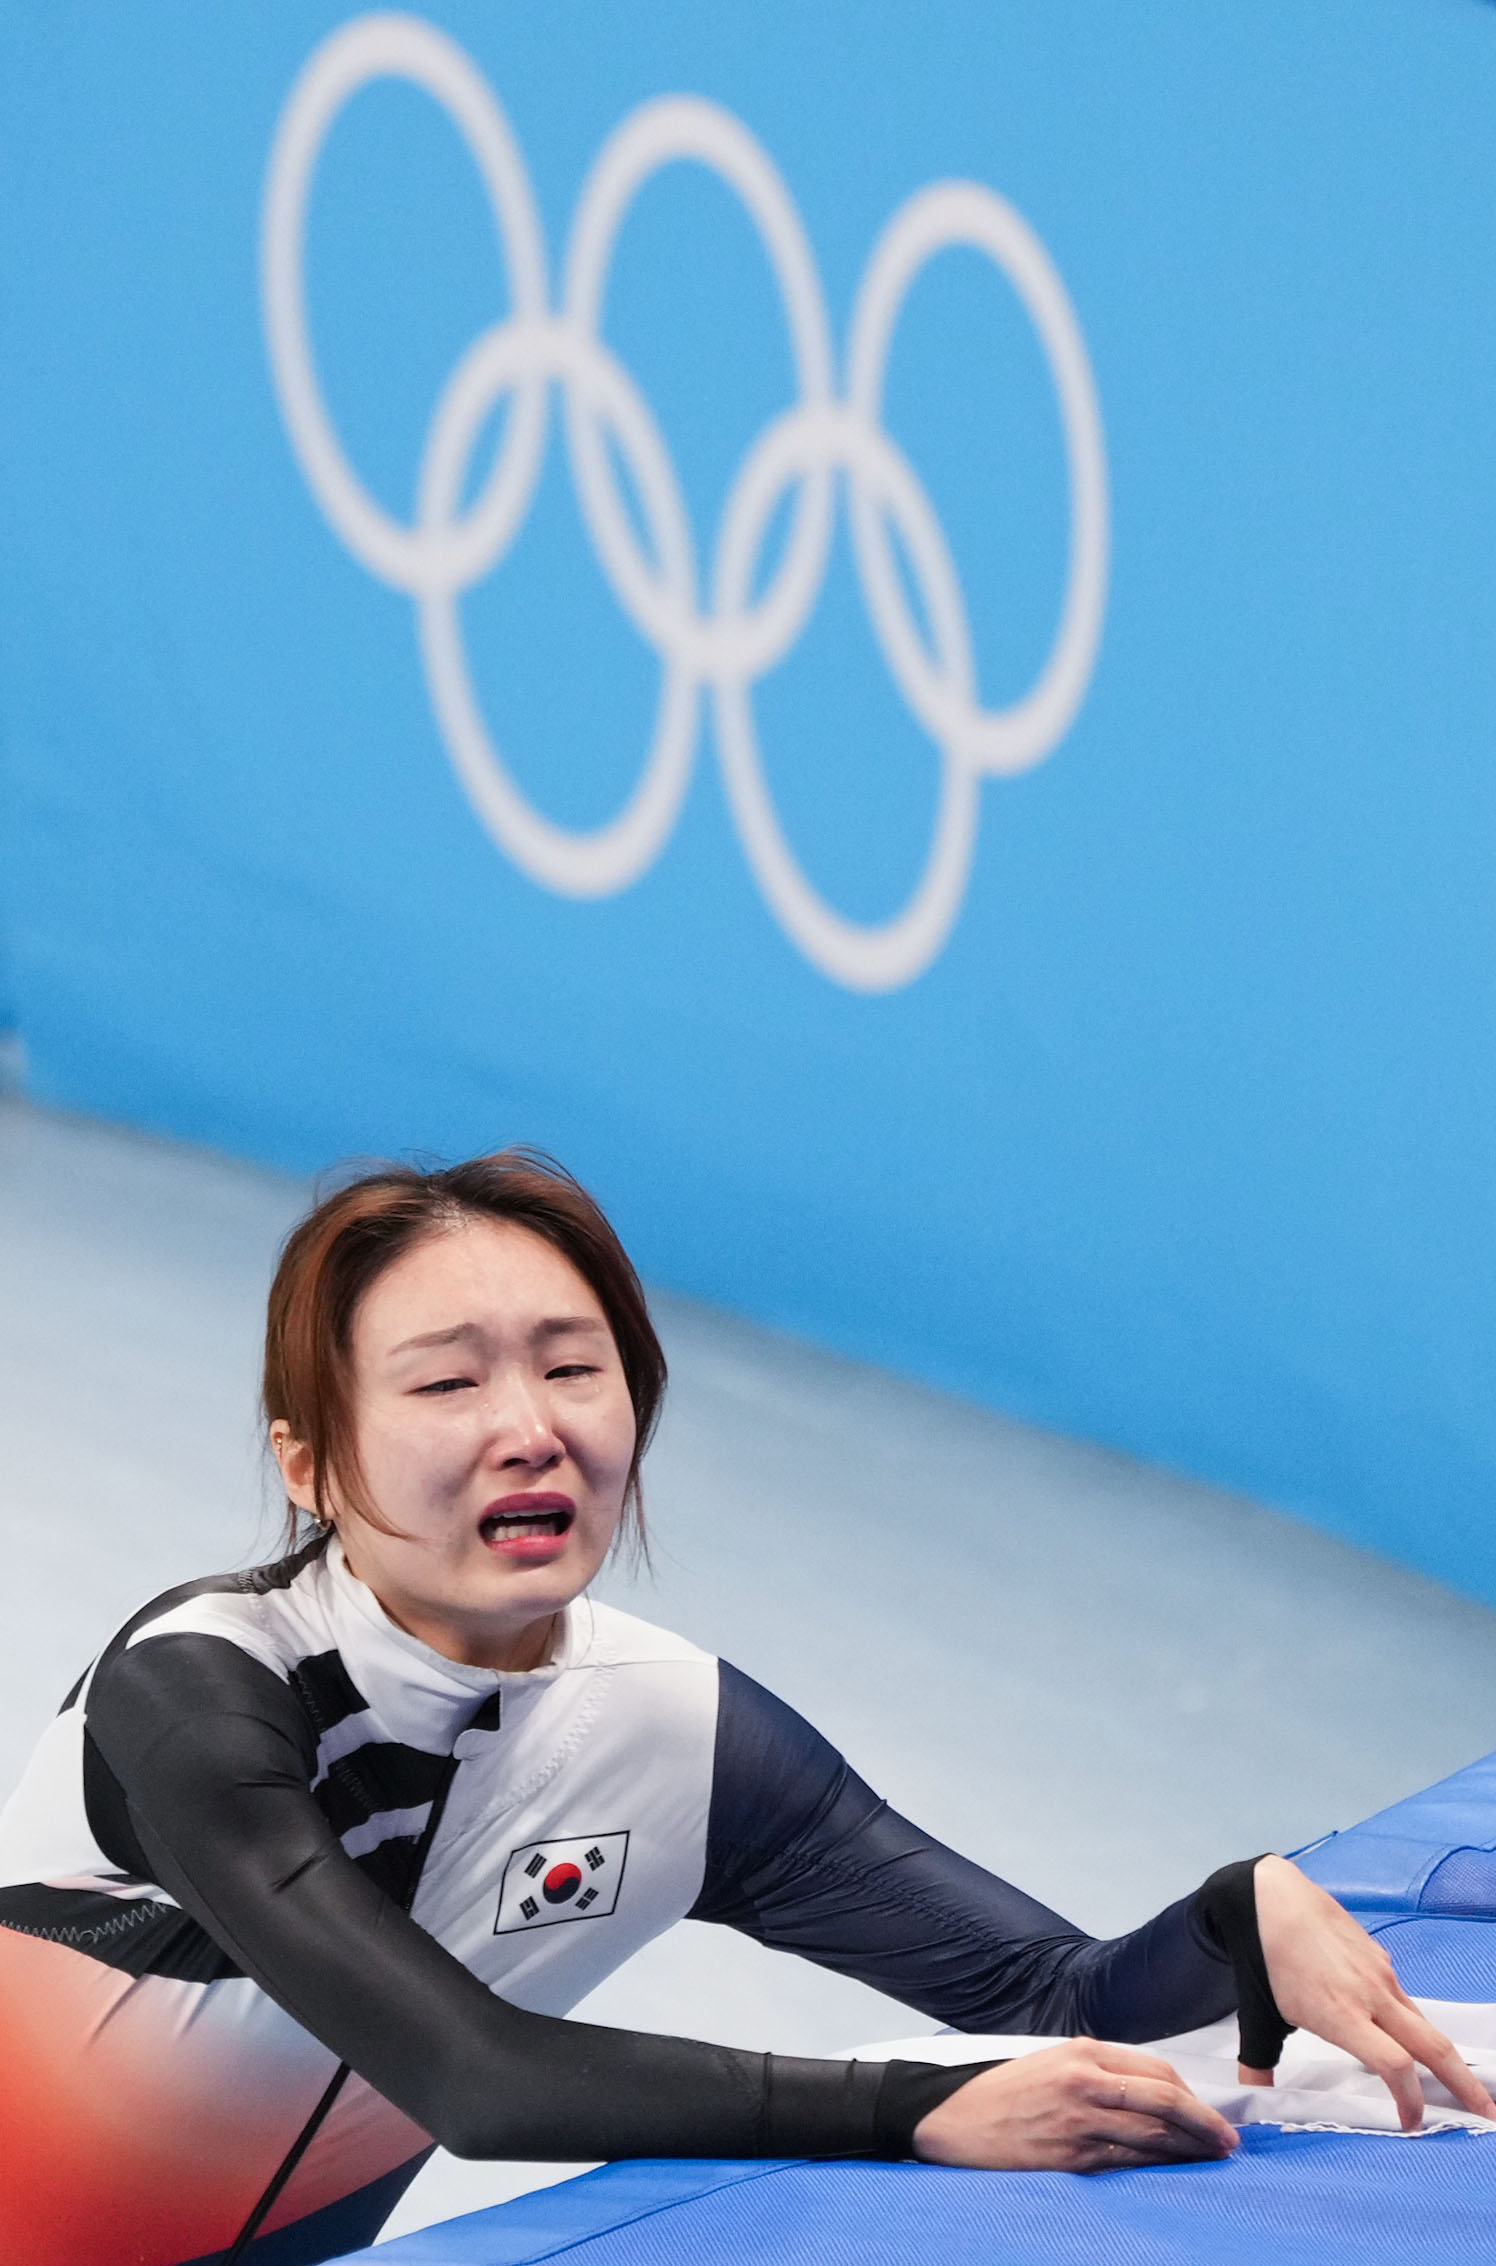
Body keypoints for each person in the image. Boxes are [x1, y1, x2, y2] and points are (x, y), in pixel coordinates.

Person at [0, 1152, 1487, 2266]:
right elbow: (473, 2075)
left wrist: (1238, 1919)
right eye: (446, 1383)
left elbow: (1053, 2000)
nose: (532, 1428)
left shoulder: (670, 1736)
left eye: (575, 1368)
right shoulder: (195, 1694)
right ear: (309, 1460)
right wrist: (913, 2104)